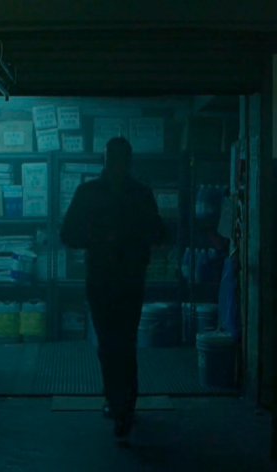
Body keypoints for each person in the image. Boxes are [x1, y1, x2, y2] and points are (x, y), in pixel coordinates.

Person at [60, 136, 167, 442]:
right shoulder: (138, 193)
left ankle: (119, 402)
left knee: (111, 342)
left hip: (108, 278)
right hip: (121, 278)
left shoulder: (91, 192)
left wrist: (103, 240)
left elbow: (68, 234)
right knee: (119, 342)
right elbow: (158, 232)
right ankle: (123, 403)